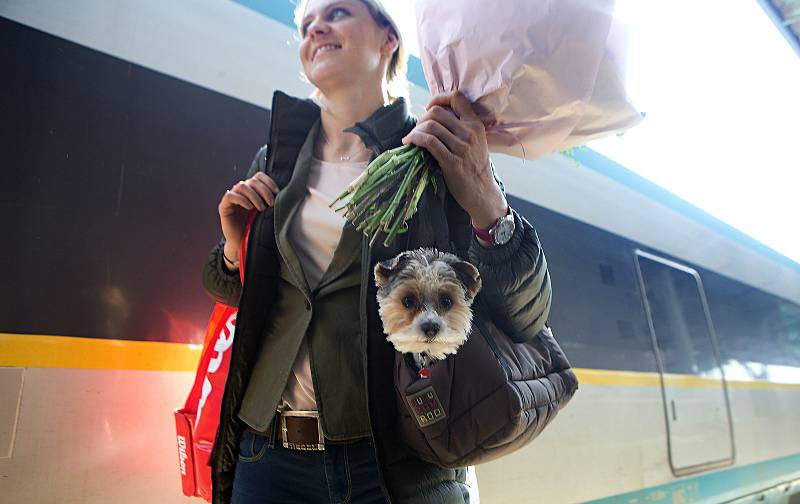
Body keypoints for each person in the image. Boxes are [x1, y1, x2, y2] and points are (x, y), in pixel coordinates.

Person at [201, 0, 552, 502]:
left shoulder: (435, 150)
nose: (316, 26)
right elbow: (231, 291)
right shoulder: (276, 159)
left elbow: (529, 312)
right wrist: (236, 249)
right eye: (305, 25)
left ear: (389, 39)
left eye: (338, 12)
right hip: (267, 457)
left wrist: (489, 206)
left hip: (392, 466)